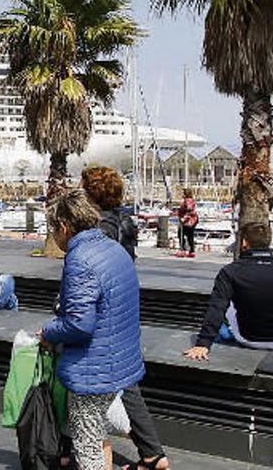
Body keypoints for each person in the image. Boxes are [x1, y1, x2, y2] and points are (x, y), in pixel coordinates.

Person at [38, 189, 145, 470]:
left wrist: (49, 331)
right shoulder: (113, 248)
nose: (53, 237)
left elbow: (79, 323)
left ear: (63, 226)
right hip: (118, 358)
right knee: (97, 434)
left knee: (87, 447)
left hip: (92, 368)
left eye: (53, 230)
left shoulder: (80, 259)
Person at [81, 167, 169, 470]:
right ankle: (152, 452)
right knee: (127, 379)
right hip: (124, 305)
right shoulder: (125, 221)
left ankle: (69, 447)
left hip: (105, 310)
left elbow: (95, 273)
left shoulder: (101, 227)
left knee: (82, 377)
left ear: (91, 194)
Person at [185, 222, 273, 361]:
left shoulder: (231, 271)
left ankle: (228, 331)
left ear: (244, 242)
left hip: (251, 339)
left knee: (228, 302)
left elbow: (216, 308)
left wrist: (203, 344)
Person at [176, 188, 198, 258]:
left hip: (188, 221)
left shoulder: (187, 201)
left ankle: (183, 249)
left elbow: (189, 210)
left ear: (186, 194)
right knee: (190, 235)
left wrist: (184, 218)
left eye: (183, 193)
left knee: (181, 234)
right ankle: (191, 250)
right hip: (192, 220)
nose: (181, 194)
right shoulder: (191, 200)